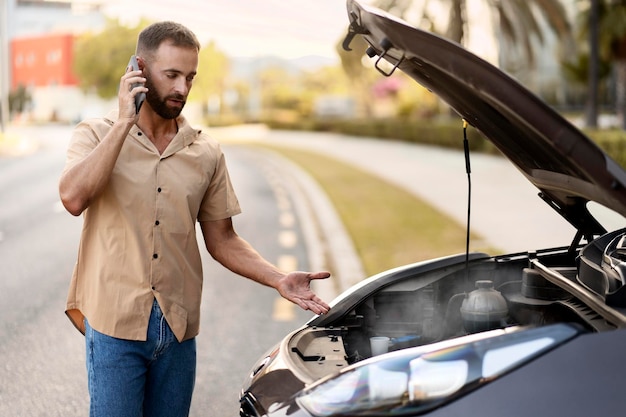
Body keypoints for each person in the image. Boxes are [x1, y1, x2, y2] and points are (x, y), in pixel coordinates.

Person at [58, 21, 331, 417]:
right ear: (139, 69)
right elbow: (72, 198)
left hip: (178, 330)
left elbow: (223, 238)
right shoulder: (95, 134)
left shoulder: (206, 152)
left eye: (190, 77)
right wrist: (123, 123)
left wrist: (278, 278)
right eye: (171, 75)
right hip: (114, 327)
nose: (182, 89)